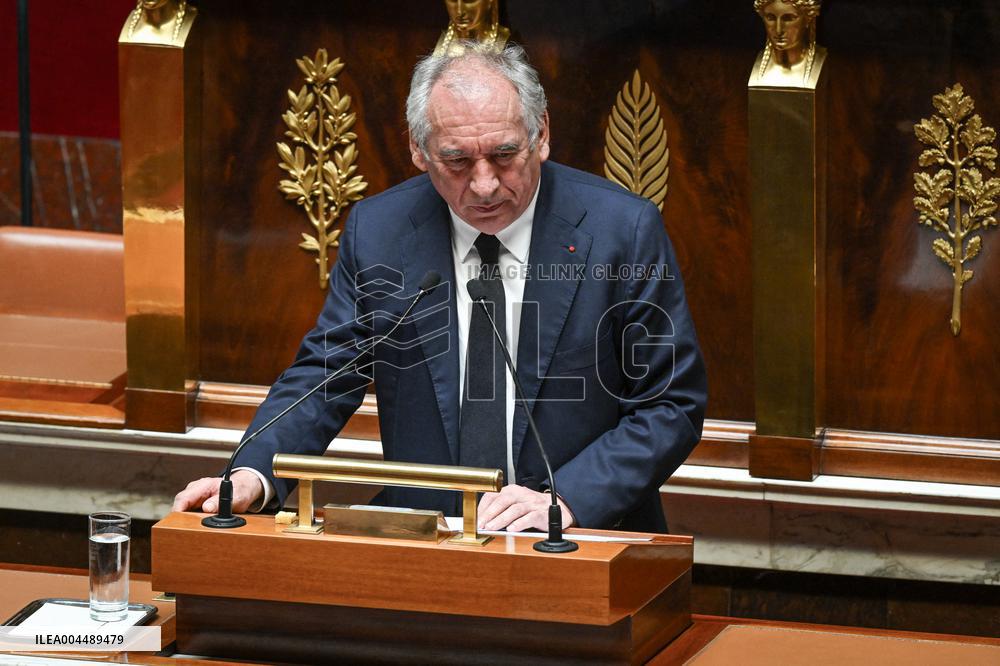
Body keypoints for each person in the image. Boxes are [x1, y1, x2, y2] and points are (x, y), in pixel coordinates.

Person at [173, 42, 707, 533]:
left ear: (541, 134)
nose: (483, 184)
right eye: (456, 160)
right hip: (427, 543)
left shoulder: (621, 232)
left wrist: (566, 498)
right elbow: (324, 376)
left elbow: (670, 405)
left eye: (503, 154)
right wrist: (252, 474)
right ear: (418, 150)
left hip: (584, 537)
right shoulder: (380, 232)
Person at [750, 0, 826, 88]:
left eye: (788, 18)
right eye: (771, 18)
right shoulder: (749, 68)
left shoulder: (824, 64)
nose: (778, 30)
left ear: (808, 19)